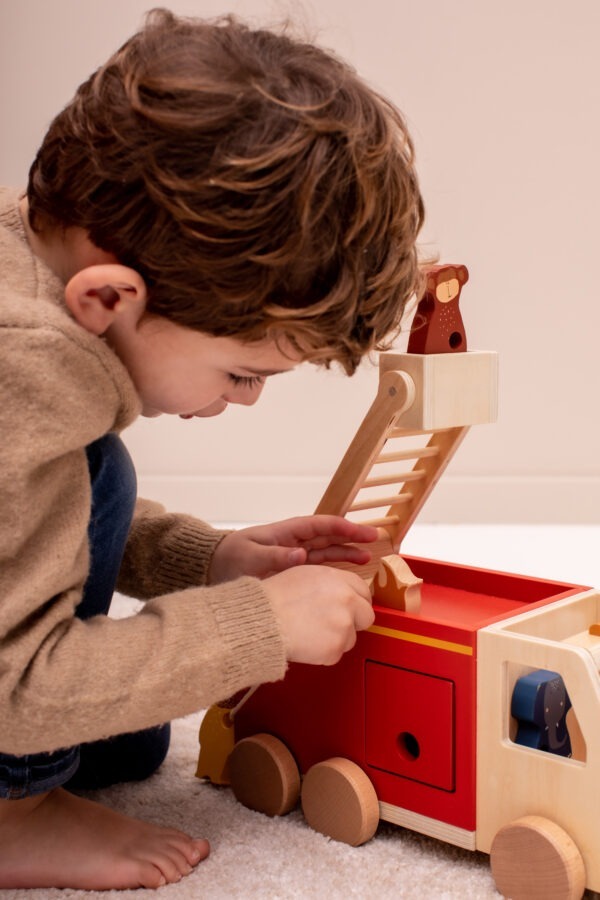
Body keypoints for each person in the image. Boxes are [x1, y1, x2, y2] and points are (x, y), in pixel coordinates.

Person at [0, 7, 424, 890]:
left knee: (134, 736)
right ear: (110, 298)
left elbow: (27, 514)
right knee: (102, 475)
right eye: (239, 375)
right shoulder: (25, 372)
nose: (246, 401)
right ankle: (15, 819)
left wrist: (209, 562)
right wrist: (255, 627)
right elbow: (14, 691)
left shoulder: (33, 272)